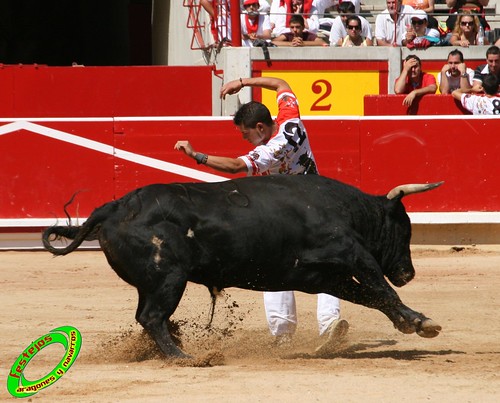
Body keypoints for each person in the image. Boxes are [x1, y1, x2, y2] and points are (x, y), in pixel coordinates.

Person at [174, 76, 348, 352]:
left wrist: (196, 155)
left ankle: (283, 334)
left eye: (246, 134)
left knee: (275, 266)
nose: (245, 139)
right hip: (320, 207)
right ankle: (329, 324)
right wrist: (243, 82)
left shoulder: (271, 151)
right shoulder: (291, 119)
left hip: (287, 216)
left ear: (259, 127)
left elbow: (233, 166)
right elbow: (281, 85)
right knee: (326, 264)